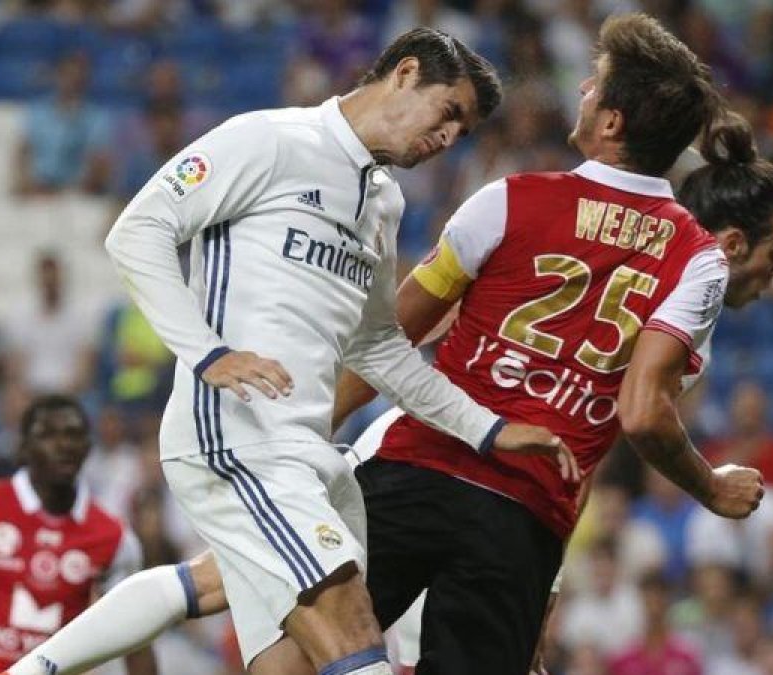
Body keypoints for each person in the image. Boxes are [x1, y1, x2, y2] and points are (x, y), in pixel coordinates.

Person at [5, 13, 773, 675]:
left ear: (612, 122)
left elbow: (389, 338)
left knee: (262, 619)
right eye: (446, 115)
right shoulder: (694, 257)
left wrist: (350, 432)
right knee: (306, 616)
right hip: (493, 496)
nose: (447, 138)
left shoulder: (498, 200)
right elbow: (640, 410)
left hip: (418, 464)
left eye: (592, 84)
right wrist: (711, 485)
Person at [98, 27, 570, 675]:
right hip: (241, 435)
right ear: (405, 74)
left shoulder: (383, 199)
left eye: (463, 131)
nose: (449, 139)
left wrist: (487, 429)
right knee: (349, 630)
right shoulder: (270, 139)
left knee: (291, 657)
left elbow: (380, 348)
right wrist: (207, 354)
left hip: (312, 456)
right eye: (449, 113)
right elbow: (139, 231)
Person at [0, 395, 151, 674]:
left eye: (73, 435)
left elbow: (137, 631)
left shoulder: (113, 536)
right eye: (47, 435)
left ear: (87, 448)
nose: (63, 445)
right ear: (23, 448)